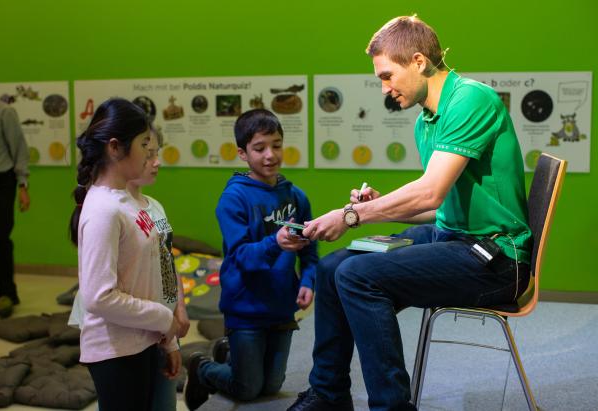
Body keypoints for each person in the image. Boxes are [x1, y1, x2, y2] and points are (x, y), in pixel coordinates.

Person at [287, 15, 532, 411]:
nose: (385, 88)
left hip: (499, 258)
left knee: (357, 276)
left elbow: (430, 194)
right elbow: (438, 206)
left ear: (418, 61)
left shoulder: (470, 99)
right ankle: (328, 396)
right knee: (332, 270)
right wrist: (377, 207)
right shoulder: (425, 120)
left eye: (387, 76)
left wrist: (351, 215)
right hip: (452, 238)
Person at [184, 108, 318, 410]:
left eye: (276, 145)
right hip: (245, 306)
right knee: (247, 388)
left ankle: (230, 356)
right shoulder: (233, 199)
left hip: (281, 307)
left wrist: (308, 280)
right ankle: (203, 368)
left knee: (271, 385)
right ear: (242, 153)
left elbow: (309, 249)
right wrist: (276, 242)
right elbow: (242, 256)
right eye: (259, 148)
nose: (270, 155)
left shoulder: (296, 196)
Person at [69, 98, 181, 411]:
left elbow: (155, 276)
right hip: (115, 351)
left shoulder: (130, 202)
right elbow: (99, 297)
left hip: (144, 341)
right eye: (144, 143)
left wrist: (167, 338)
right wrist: (163, 318)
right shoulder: (104, 209)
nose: (151, 153)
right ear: (115, 148)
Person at [0, 62, 30, 319]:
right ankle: (4, 291)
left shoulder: (3, 112)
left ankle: (7, 293)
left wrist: (23, 186)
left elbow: (19, 150)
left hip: (1, 182)